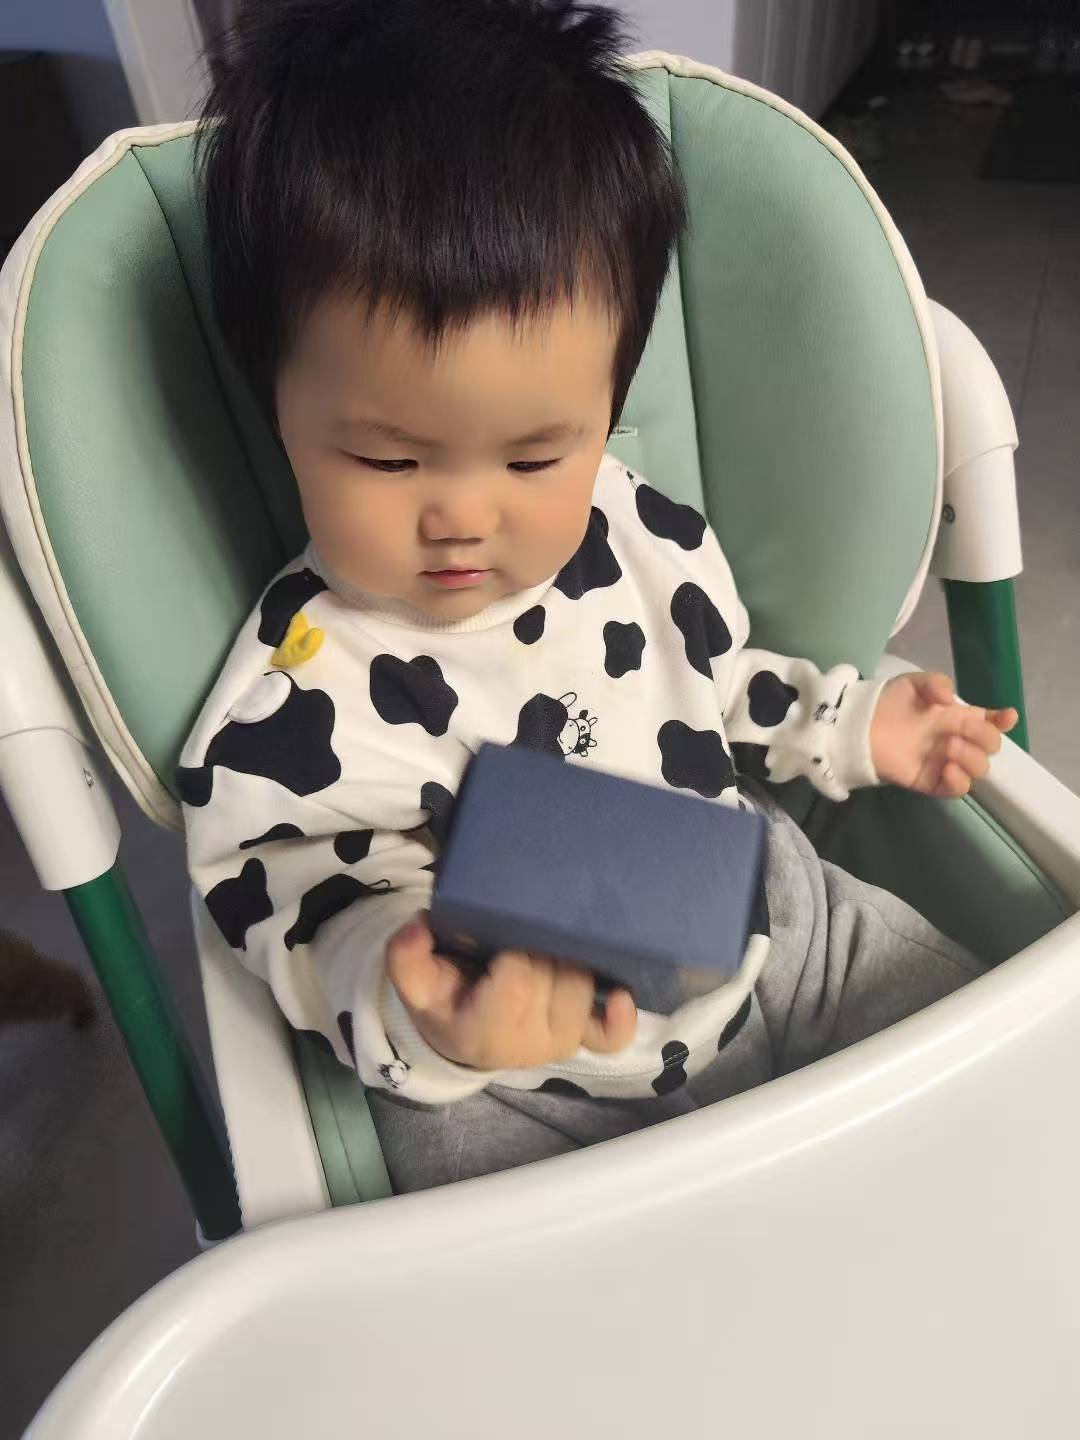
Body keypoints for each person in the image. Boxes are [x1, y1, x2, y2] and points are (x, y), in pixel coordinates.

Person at [182, 0, 1015, 1192]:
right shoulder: (290, 703)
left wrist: (844, 722)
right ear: (277, 406)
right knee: (494, 1236)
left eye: (536, 458)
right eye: (386, 458)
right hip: (526, 1085)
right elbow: (295, 902)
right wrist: (428, 1002)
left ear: (606, 405)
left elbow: (710, 684)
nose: (464, 515)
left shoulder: (633, 527)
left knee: (997, 1076)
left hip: (765, 933)